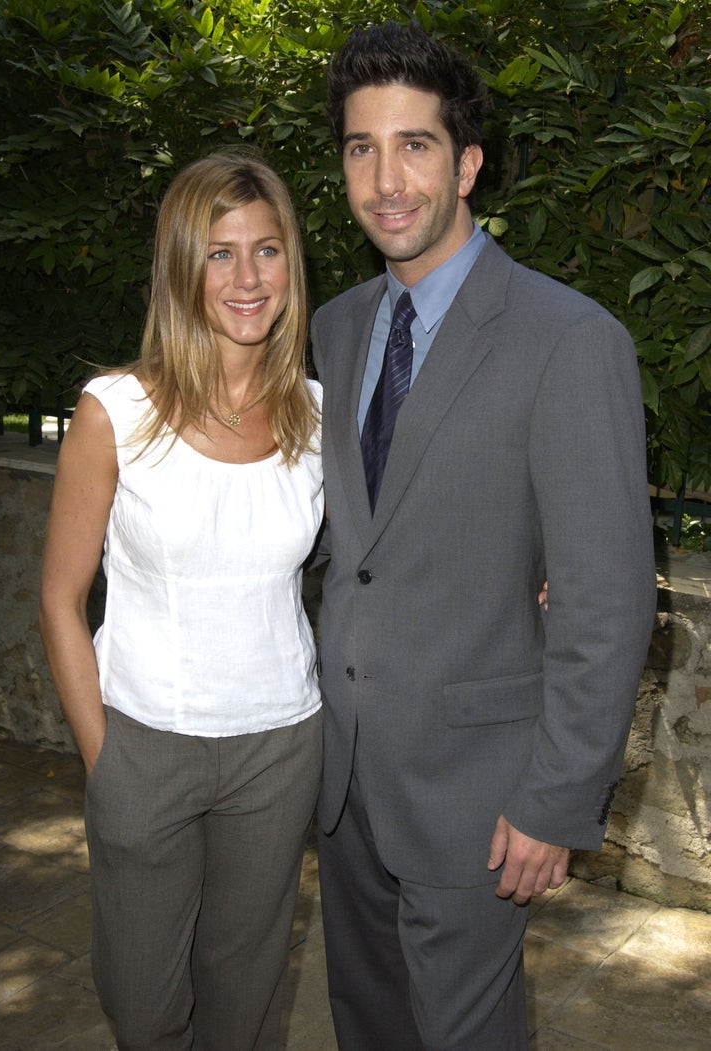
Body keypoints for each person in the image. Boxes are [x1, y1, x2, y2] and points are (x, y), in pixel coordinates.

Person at [311, 21, 657, 1051]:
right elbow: (353, 545)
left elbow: (606, 595)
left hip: (480, 791)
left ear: (466, 164)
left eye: (414, 144)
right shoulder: (333, 327)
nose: (385, 179)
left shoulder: (573, 340)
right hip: (345, 784)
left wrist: (557, 800)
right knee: (368, 1025)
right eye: (361, 147)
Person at [39, 151, 324, 1051]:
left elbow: (409, 533)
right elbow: (58, 597)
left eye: (267, 250)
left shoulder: (319, 418)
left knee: (243, 1003)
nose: (248, 278)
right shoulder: (113, 411)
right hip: (145, 744)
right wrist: (105, 760)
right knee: (144, 1005)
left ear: (291, 266)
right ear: (179, 267)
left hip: (279, 748)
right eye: (219, 253)